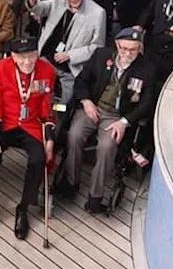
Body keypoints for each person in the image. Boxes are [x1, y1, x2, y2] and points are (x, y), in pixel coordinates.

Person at [62, 27, 158, 213]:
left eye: (133, 49)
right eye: (123, 48)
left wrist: (124, 122)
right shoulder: (101, 55)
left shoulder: (147, 69)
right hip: (93, 108)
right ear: (117, 45)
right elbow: (81, 81)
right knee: (74, 136)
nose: (127, 53)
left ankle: (95, 197)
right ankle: (71, 182)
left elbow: (146, 103)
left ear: (140, 48)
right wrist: (86, 101)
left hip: (117, 117)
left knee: (106, 148)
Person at [0, 37, 57, 240]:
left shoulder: (47, 71)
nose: (27, 62)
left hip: (32, 125)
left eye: (31, 56)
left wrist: (49, 139)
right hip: (6, 122)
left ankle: (23, 208)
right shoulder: (1, 68)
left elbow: (49, 107)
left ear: (37, 54)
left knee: (39, 159)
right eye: (22, 57)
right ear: (13, 56)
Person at [27, 0, 107, 103]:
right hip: (47, 60)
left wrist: (70, 55)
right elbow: (40, 9)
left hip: (71, 69)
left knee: (63, 105)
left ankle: (57, 120)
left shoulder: (98, 13)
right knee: (38, 96)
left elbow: (97, 47)